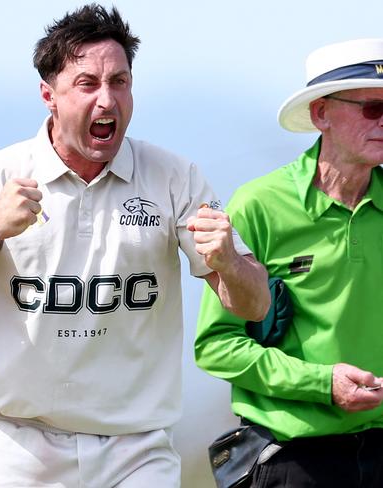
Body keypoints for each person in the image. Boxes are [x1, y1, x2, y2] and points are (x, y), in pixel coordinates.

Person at [0, 4, 269, 487]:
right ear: (48, 96)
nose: (107, 100)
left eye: (120, 82)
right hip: (20, 447)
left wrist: (227, 261)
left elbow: (255, 303)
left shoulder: (174, 177)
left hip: (137, 449)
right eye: (87, 84)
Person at [195, 38, 383, 487]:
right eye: (373, 109)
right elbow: (217, 346)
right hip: (292, 462)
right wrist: (321, 384)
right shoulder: (260, 205)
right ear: (321, 114)